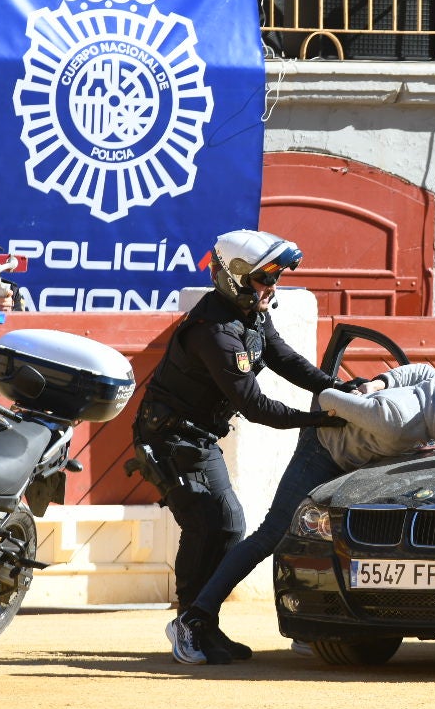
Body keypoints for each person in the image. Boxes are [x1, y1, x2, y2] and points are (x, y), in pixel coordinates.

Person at [177, 360, 435, 665]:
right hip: (322, 451)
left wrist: (379, 382)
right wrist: (360, 397)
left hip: (359, 462)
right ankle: (194, 618)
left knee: (336, 540)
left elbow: (420, 371)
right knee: (272, 535)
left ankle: (316, 627)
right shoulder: (395, 422)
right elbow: (326, 396)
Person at [132, 230, 343, 665]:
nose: (272, 286)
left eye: (276, 277)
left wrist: (338, 390)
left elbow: (284, 358)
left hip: (195, 436)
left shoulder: (251, 314)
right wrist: (320, 418)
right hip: (170, 438)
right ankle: (188, 623)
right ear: (235, 277)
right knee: (215, 524)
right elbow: (255, 406)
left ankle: (203, 623)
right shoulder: (215, 331)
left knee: (225, 527)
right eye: (265, 277)